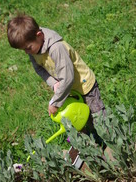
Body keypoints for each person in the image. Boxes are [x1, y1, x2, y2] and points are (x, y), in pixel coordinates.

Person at [7, 14, 106, 166]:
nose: (27, 52)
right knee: (79, 121)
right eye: (24, 50)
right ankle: (92, 150)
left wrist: (56, 102)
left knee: (98, 118)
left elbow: (67, 78)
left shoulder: (56, 48)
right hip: (69, 90)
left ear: (39, 35)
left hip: (84, 86)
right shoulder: (34, 48)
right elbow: (40, 70)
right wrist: (53, 83)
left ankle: (113, 145)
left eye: (28, 48)